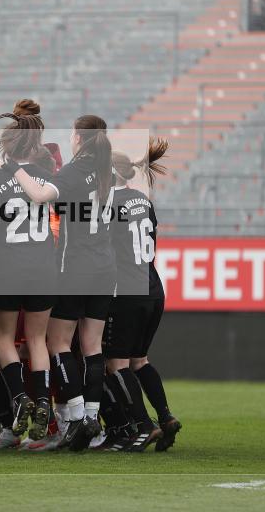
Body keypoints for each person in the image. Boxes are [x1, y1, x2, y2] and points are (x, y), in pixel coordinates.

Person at [1, 114, 116, 451]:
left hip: (75, 267)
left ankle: (78, 418)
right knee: (93, 346)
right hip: (104, 267)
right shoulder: (110, 168)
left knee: (57, 343)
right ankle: (93, 419)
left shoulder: (75, 171)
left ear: (78, 138)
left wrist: (13, 167)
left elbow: (38, 195)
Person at [0, 99, 56, 444]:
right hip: (43, 265)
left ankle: (19, 398)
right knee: (38, 339)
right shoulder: (48, 178)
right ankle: (43, 400)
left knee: (4, 338)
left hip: (6, 266)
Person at [103, 140, 181, 452]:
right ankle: (165, 417)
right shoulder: (143, 201)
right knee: (139, 360)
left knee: (115, 363)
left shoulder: (109, 206)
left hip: (126, 291)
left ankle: (143, 425)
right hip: (152, 287)